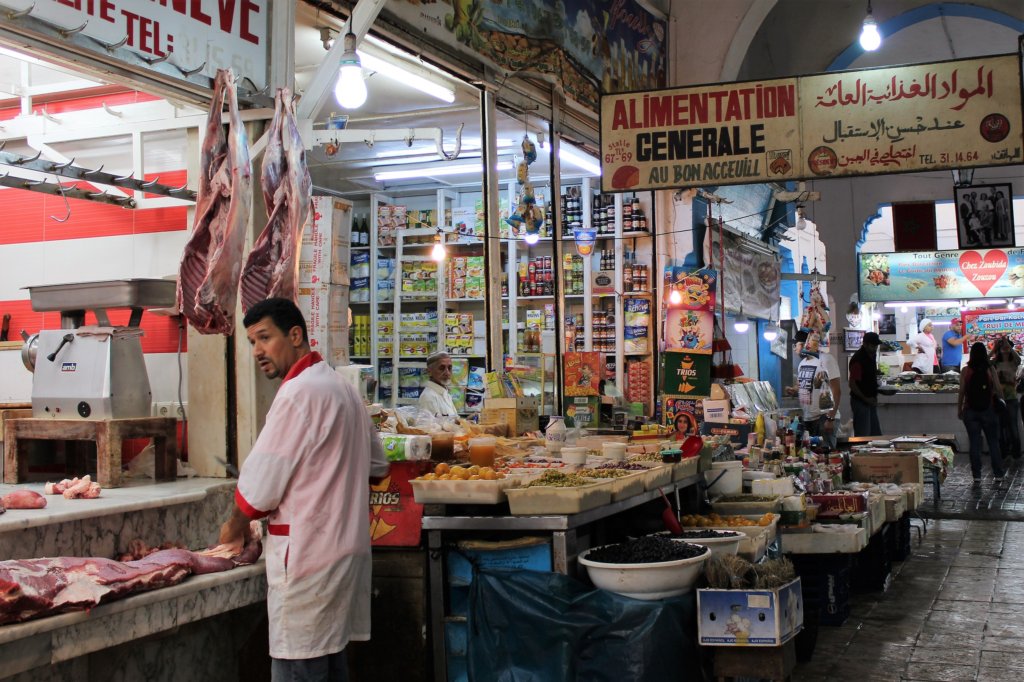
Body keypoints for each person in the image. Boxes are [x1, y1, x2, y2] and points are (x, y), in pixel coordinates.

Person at [216, 297, 390, 679]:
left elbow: (258, 491)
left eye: (265, 337)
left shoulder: (297, 394)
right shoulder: (342, 389)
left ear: (295, 335)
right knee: (331, 664)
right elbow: (377, 467)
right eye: (251, 342)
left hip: (309, 561)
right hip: (345, 557)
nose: (258, 350)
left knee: (301, 666)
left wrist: (233, 529)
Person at [958, 341, 1006, 485]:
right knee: (993, 443)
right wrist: (1001, 402)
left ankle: (977, 476)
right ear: (985, 354)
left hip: (970, 411)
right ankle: (998, 474)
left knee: (975, 443)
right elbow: (998, 388)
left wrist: (959, 409)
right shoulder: (990, 369)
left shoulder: (965, 371)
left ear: (971, 354)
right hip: (989, 410)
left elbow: (961, 392)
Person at [796, 330, 842, 448]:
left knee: (827, 456)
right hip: (808, 418)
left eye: (798, 344)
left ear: (808, 343)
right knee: (811, 458)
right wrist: (794, 389)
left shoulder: (826, 359)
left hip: (824, 417)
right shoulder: (802, 363)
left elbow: (836, 391)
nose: (796, 348)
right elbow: (806, 386)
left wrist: (830, 418)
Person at [990, 336, 1021, 459]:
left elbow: (1018, 358)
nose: (1005, 348)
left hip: (1011, 398)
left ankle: (1016, 452)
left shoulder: (1014, 362)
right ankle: (1003, 451)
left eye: (1007, 347)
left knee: (1013, 426)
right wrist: (995, 348)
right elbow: (985, 361)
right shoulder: (995, 362)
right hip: (998, 398)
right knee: (1000, 427)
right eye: (1003, 347)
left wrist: (1007, 343)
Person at [848, 332, 882, 437]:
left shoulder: (871, 355)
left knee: (875, 434)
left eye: (876, 345)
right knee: (863, 436)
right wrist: (865, 398)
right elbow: (852, 384)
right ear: (865, 344)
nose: (875, 348)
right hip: (860, 402)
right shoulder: (858, 360)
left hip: (870, 401)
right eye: (873, 346)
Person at [417, 351, 458, 417]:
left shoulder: (445, 393)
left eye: (449, 368)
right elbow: (430, 426)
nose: (447, 373)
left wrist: (466, 421)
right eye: (441, 368)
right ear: (429, 372)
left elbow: (452, 422)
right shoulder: (429, 397)